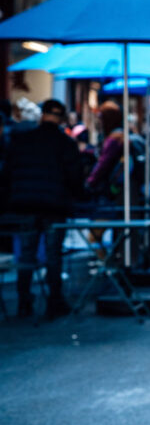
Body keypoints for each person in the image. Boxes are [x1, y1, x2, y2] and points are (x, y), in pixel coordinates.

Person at [1, 98, 82, 318]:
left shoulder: (23, 141)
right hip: (54, 205)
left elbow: (8, 173)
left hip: (25, 204)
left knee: (27, 254)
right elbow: (75, 177)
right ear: (61, 117)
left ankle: (24, 300)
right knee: (53, 253)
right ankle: (54, 300)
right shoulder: (65, 143)